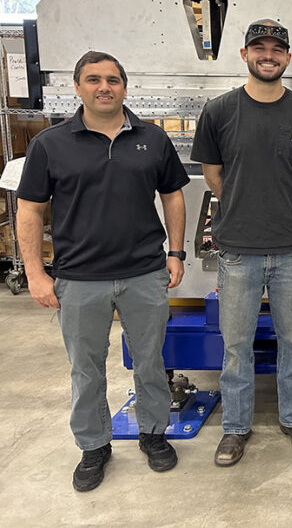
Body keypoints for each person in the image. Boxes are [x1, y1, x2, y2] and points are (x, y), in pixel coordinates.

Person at [16, 51, 189, 491]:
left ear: (125, 88)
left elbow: (172, 196)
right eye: (93, 79)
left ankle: (153, 434)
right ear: (77, 87)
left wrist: (176, 252)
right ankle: (94, 446)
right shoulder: (50, 144)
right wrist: (36, 272)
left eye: (113, 79)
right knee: (86, 368)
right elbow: (30, 210)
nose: (104, 87)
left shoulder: (152, 138)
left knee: (150, 362)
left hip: (144, 273)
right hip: (78, 278)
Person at [191, 19, 292, 467]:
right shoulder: (220, 111)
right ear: (244, 55)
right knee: (236, 347)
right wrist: (248, 208)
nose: (268, 55)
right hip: (237, 252)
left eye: (277, 49)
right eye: (259, 48)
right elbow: (213, 176)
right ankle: (235, 429)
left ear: (287, 58)